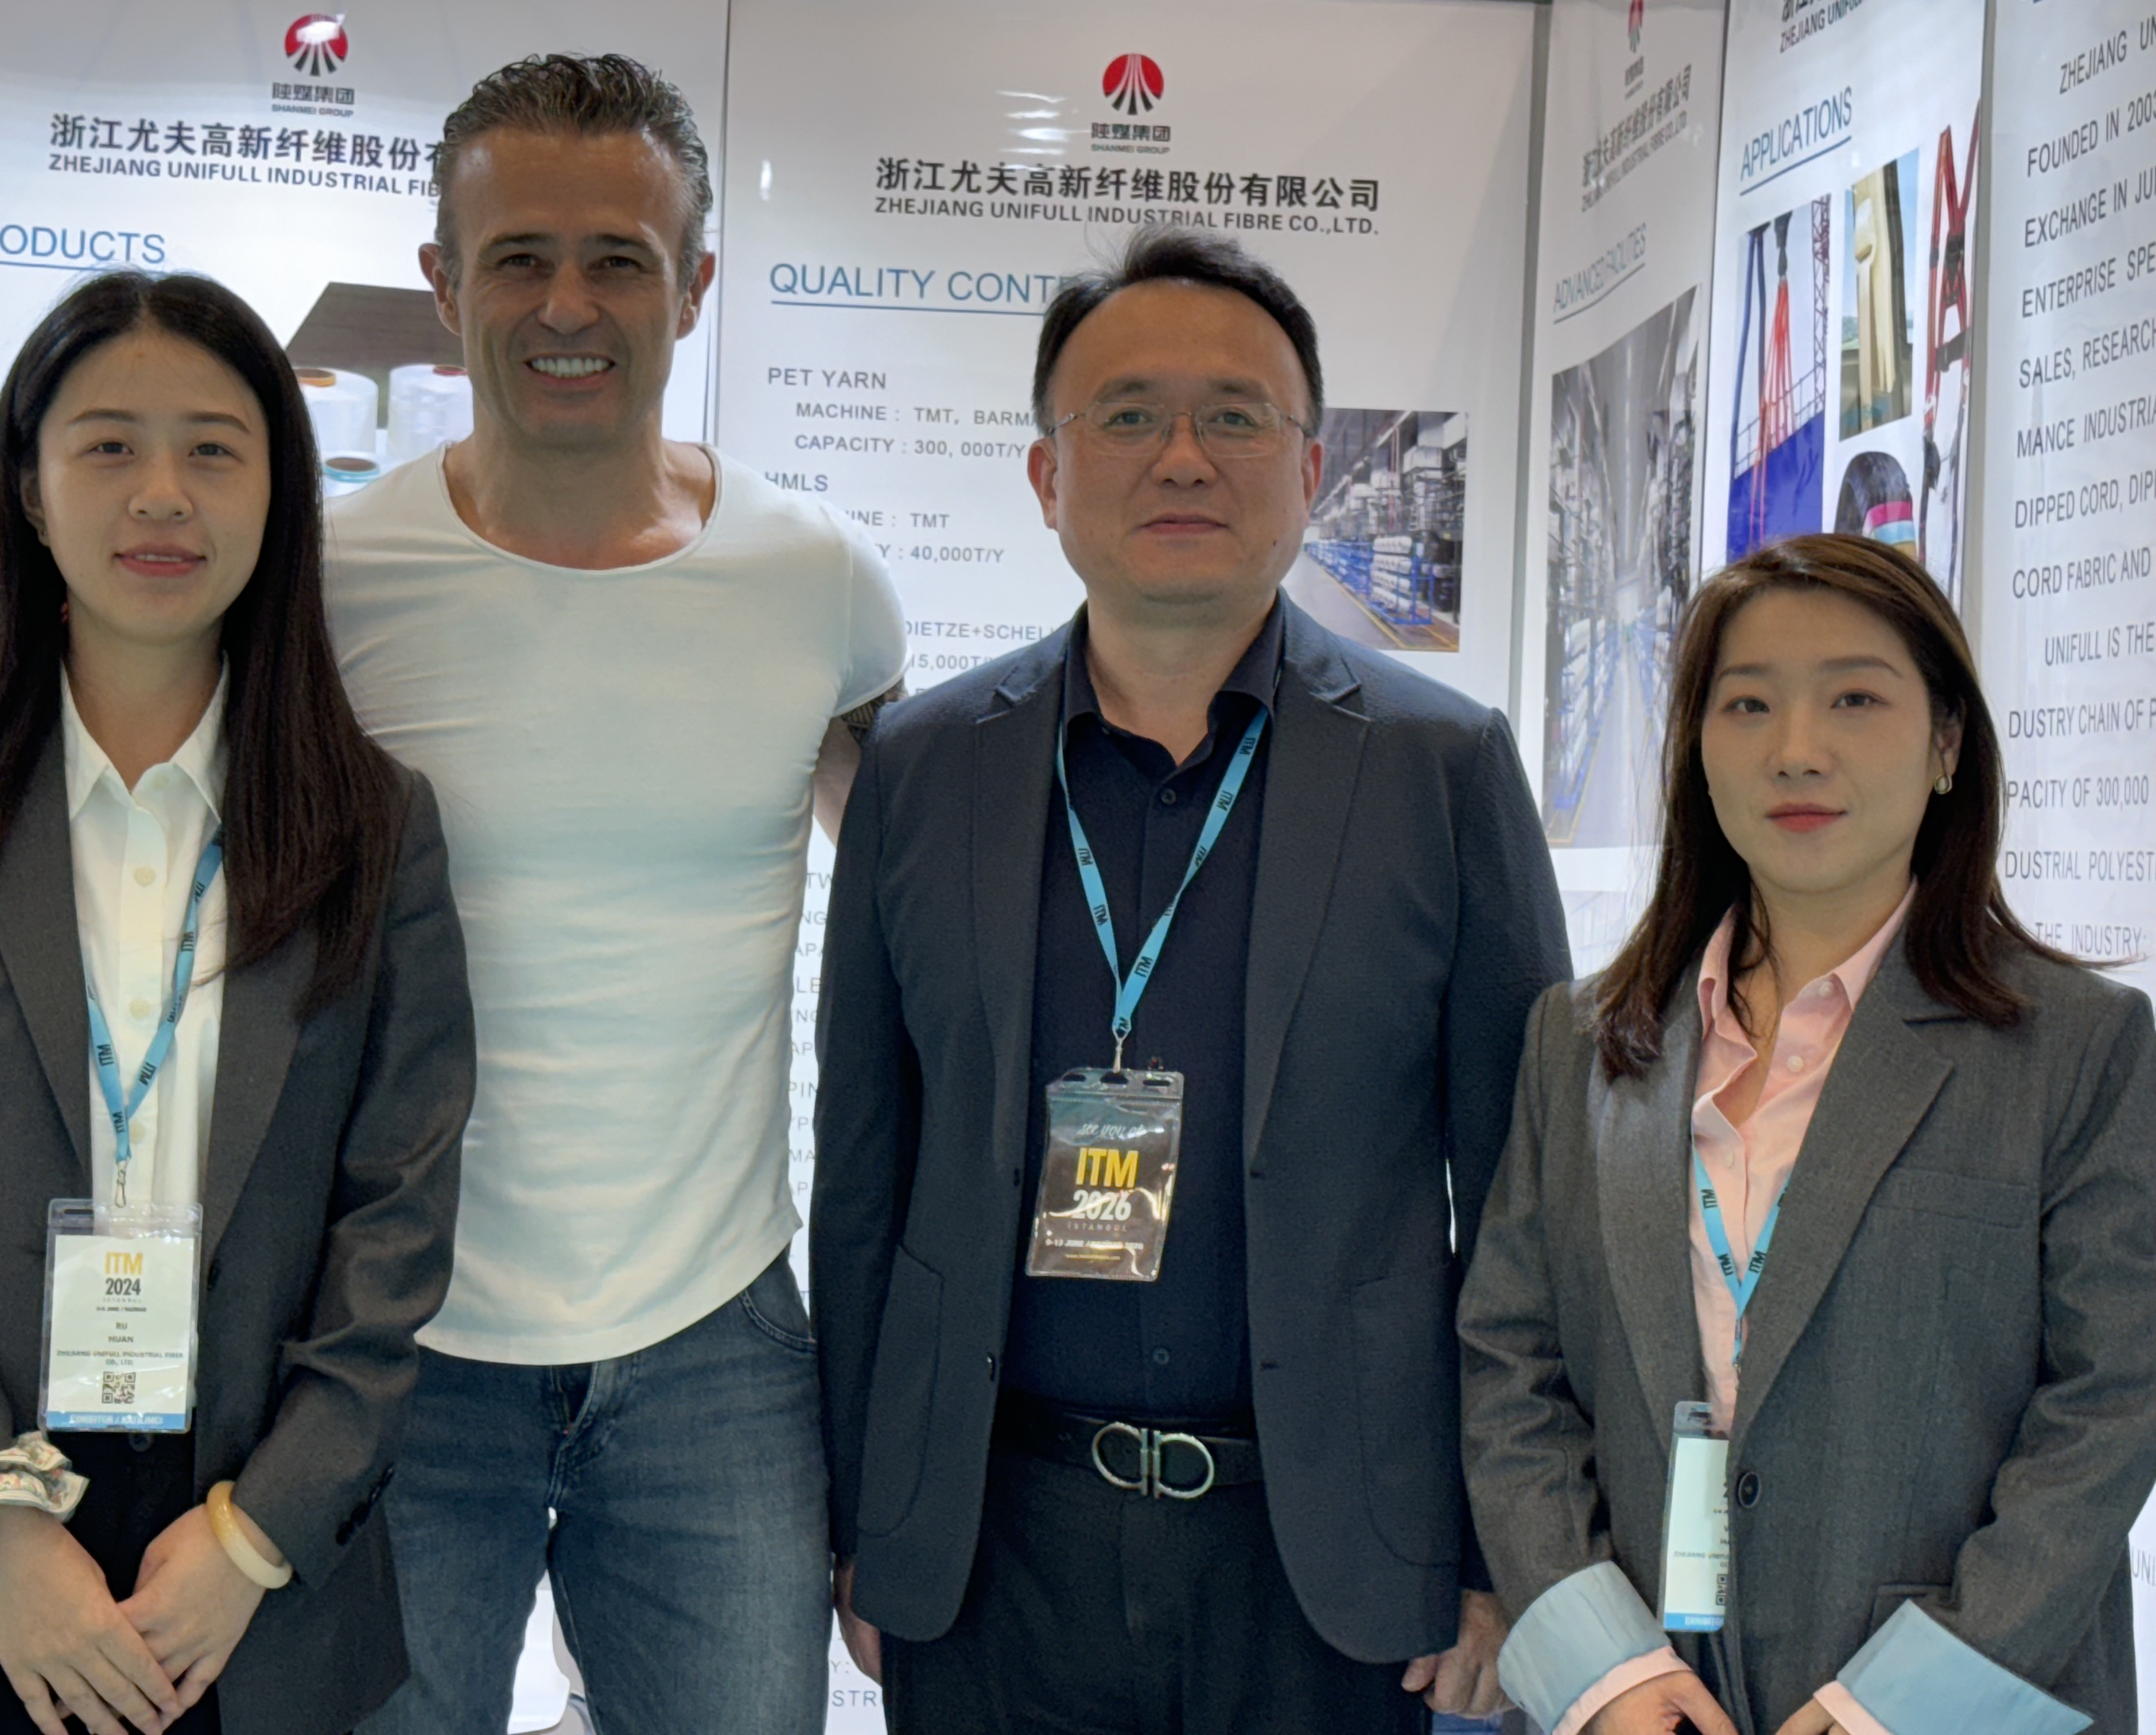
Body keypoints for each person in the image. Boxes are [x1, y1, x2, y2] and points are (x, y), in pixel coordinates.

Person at [811, 225, 1570, 1733]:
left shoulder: (1442, 768)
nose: (1182, 457)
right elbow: (865, 1178)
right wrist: (861, 1522)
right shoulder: (924, 769)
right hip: (991, 1552)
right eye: (1129, 415)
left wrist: (1506, 1559)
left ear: (1312, 470)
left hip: (1336, 1567)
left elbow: (1522, 1198)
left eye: (1236, 416)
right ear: (1046, 474)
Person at [328, 53, 905, 1735]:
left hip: (714, 1346)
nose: (567, 305)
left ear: (694, 284)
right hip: (397, 1343)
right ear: (444, 284)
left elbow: (931, 927)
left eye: (619, 261)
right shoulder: (329, 586)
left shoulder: (816, 583)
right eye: (518, 257)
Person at [0, 270, 475, 1735]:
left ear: (280, 491)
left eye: (213, 449)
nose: (163, 495)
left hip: (250, 1576)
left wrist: (258, 1536)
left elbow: (397, 1217)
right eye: (110, 445)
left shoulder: (373, 828)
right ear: (29, 486)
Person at [1459, 534, 2156, 1735]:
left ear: (1947, 744)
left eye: (1855, 699)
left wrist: (1908, 1702)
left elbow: (2113, 1403)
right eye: (1748, 705)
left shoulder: (2077, 1047)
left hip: (1945, 1700)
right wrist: (1604, 1670)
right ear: (1698, 748)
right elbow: (1508, 1370)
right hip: (1643, 1700)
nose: (1796, 749)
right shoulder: (1582, 1045)